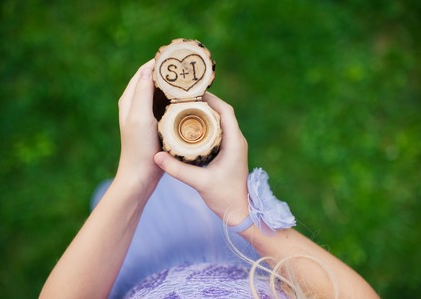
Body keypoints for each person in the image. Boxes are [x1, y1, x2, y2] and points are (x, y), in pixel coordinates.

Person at [40, 59, 379, 298]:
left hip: (141, 268)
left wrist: (132, 184)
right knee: (184, 198)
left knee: (151, 210)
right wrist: (244, 215)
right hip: (246, 258)